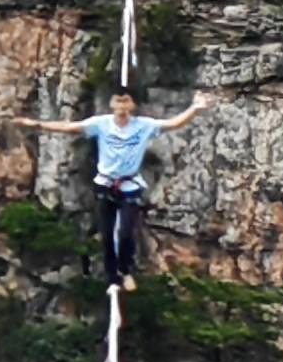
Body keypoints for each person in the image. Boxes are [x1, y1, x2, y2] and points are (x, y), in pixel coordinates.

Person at [23, 82, 206, 287]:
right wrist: (36, 125)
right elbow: (69, 128)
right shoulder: (101, 124)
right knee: (107, 233)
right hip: (105, 183)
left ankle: (126, 270)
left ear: (132, 104)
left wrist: (194, 109)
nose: (121, 105)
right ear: (111, 103)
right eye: (118, 100)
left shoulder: (143, 126)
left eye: (125, 100)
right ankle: (112, 275)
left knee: (125, 231)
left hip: (129, 185)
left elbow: (173, 124)